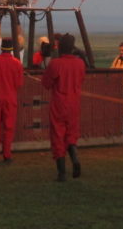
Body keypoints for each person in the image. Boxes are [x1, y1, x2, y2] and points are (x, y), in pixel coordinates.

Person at [41, 33, 86, 182]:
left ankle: (61, 172)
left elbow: (46, 83)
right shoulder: (80, 63)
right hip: (74, 103)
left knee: (58, 135)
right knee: (71, 134)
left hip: (59, 103)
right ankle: (75, 159)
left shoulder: (56, 64)